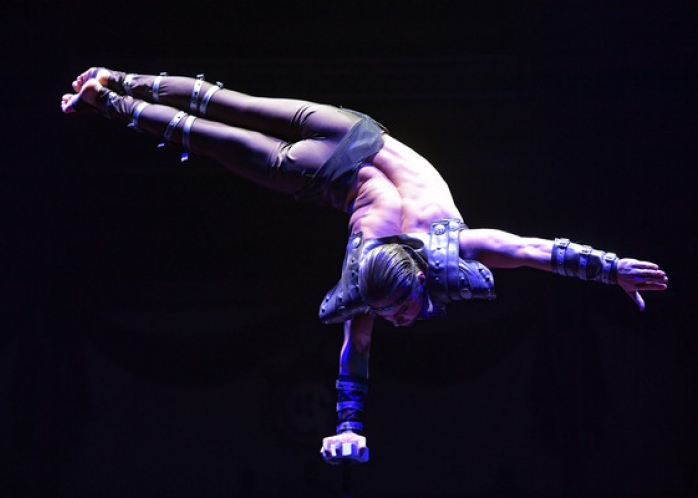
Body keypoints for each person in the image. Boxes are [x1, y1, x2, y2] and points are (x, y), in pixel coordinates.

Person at [61, 68, 668, 464]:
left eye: (395, 314)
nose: (398, 321)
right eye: (398, 313)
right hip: (350, 147)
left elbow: (534, 251)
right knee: (225, 120)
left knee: (223, 126)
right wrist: (610, 267)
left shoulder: (403, 269)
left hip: (343, 154)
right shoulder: (441, 254)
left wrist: (610, 268)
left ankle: (109, 90)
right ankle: (112, 89)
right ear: (419, 280)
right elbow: (534, 252)